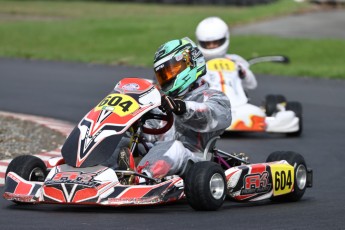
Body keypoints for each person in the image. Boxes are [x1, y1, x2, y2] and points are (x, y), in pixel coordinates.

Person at [135, 37, 232, 179]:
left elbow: (211, 116)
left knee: (174, 147)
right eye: (163, 75)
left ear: (191, 62)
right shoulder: (164, 102)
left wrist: (182, 108)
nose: (167, 78)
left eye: (172, 70)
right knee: (124, 140)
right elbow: (151, 133)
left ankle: (142, 179)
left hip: (196, 164)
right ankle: (102, 174)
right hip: (158, 156)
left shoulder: (213, 97)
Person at [195, 16, 257, 90]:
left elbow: (252, 85)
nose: (211, 46)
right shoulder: (196, 65)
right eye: (207, 43)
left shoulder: (236, 61)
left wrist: (243, 73)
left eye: (215, 42)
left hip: (237, 100)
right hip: (207, 100)